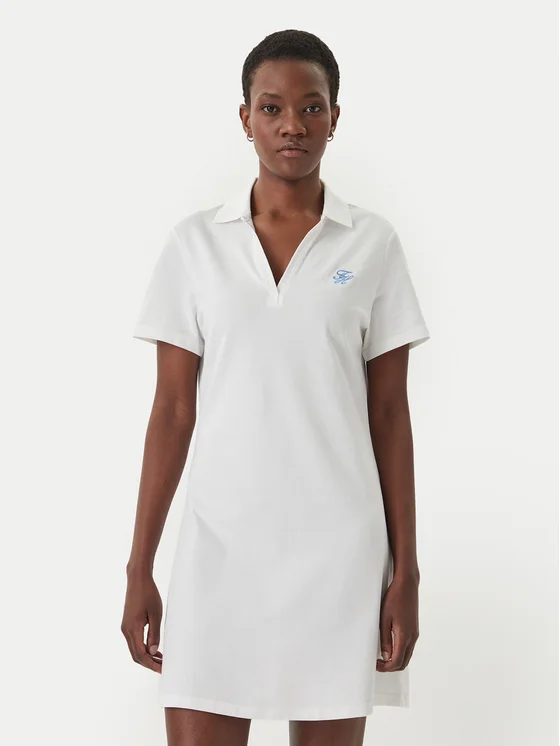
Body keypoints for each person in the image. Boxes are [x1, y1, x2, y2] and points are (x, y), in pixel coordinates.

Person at [122, 28, 431, 746]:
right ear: (245, 118)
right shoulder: (195, 244)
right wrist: (139, 567)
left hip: (339, 553)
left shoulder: (372, 244)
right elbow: (172, 410)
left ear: (334, 117)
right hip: (218, 551)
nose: (293, 124)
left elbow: (390, 414)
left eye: (311, 107)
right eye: (272, 108)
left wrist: (406, 572)